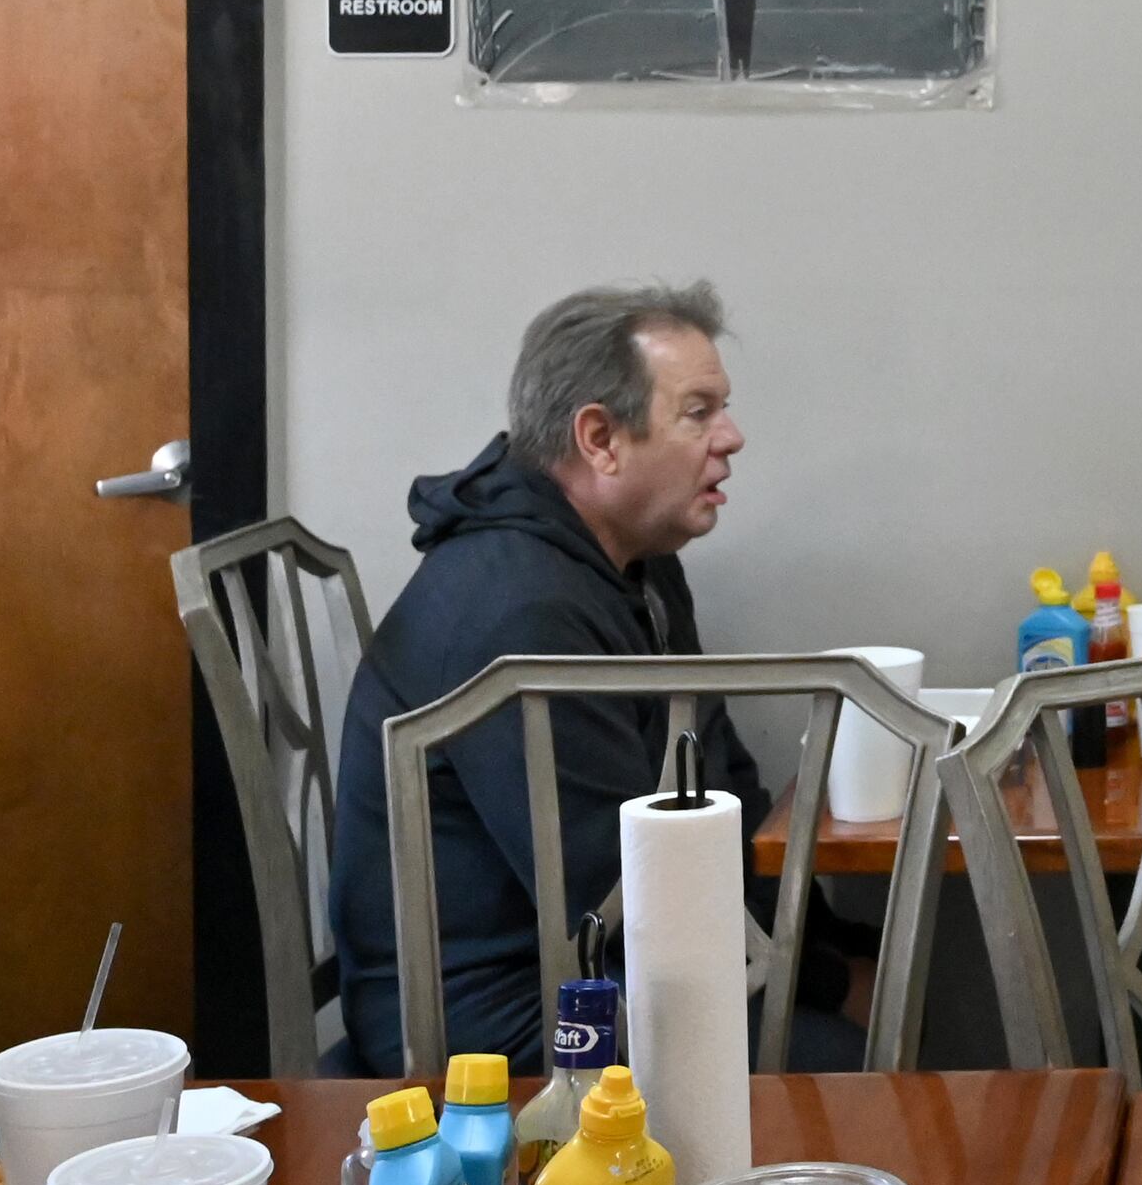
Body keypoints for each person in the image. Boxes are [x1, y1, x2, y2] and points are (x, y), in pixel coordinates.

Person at [332, 282, 868, 1072]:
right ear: (600, 438)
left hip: (596, 959)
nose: (733, 436)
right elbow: (619, 888)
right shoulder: (521, 614)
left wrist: (813, 952)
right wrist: (821, 980)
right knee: (848, 1058)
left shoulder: (636, 565)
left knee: (879, 981)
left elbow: (719, 781)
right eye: (698, 411)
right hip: (494, 1019)